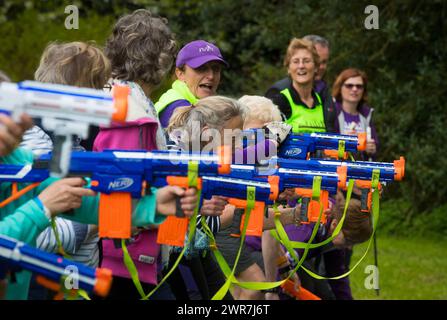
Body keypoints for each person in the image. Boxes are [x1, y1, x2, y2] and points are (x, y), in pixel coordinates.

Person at [265, 35, 335, 132]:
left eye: (306, 61)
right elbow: (265, 140)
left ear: (315, 67)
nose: (301, 66)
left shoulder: (322, 101)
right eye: (296, 61)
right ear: (288, 68)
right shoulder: (279, 100)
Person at [155, 40, 228, 128]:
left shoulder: (190, 102)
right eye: (201, 68)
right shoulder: (179, 107)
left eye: (216, 69)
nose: (211, 76)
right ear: (180, 74)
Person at [332, 68, 378, 160]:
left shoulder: (366, 115)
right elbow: (325, 145)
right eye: (349, 85)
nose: (354, 89)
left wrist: (371, 149)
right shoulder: (332, 112)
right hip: (337, 170)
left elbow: (375, 150)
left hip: (361, 171)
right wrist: (345, 143)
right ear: (340, 88)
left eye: (359, 86)